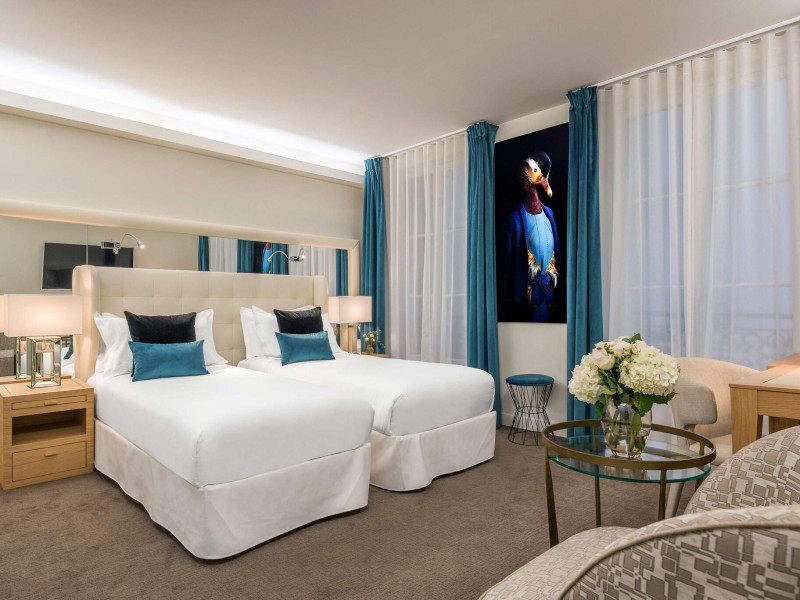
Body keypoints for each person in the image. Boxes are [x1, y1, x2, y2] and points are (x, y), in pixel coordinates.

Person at [498, 152, 561, 322]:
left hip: (549, 295)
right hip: (526, 301)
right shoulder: (513, 219)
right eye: (537, 171)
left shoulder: (549, 214)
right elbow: (505, 267)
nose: (544, 180)